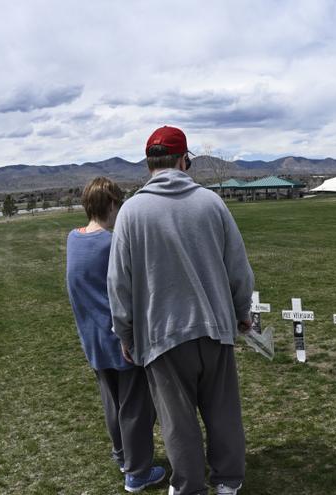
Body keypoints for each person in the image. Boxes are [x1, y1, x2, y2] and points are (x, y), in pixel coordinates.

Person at [108, 126, 254, 495]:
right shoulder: (211, 203)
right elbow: (238, 267)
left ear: (149, 163)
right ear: (183, 159)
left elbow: (119, 284)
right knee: (223, 412)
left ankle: (189, 486)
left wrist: (125, 332)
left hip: (162, 334)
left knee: (178, 421)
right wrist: (241, 311)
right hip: (215, 328)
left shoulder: (131, 212)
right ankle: (227, 481)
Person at [65, 177, 165, 493]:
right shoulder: (113, 243)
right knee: (136, 407)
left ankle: (123, 455)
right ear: (111, 205)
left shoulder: (73, 238)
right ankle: (137, 472)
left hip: (92, 340)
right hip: (121, 340)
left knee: (113, 403)